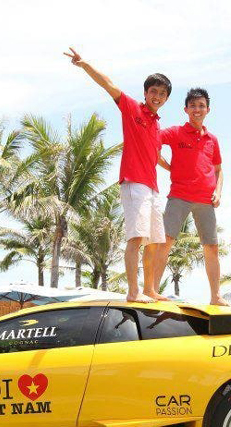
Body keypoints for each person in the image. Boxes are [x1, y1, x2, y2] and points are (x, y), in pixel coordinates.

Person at [64, 47, 170, 302]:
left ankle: (149, 289)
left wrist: (173, 169)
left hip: (153, 188)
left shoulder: (157, 125)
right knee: (137, 238)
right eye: (153, 91)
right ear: (145, 93)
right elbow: (108, 84)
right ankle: (133, 291)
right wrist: (84, 64)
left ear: (166, 98)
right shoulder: (133, 108)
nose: (157, 96)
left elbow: (156, 156)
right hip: (134, 183)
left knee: (155, 241)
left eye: (162, 93)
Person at [150, 88, 228, 305]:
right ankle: (152, 291)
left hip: (206, 201)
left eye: (201, 106)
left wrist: (218, 192)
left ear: (208, 110)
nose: (197, 109)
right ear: (186, 109)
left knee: (211, 247)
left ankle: (216, 297)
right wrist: (168, 166)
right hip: (179, 195)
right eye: (193, 105)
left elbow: (218, 170)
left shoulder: (212, 139)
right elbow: (152, 140)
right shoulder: (176, 132)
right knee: (165, 241)